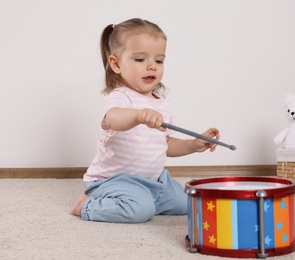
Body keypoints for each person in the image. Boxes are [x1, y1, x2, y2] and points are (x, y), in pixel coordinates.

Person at [70, 18, 220, 223]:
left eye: (159, 61)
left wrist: (193, 144)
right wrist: (138, 115)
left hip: (154, 181)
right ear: (116, 64)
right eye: (140, 59)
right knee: (140, 211)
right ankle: (87, 205)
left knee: (187, 202)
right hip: (114, 181)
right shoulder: (121, 97)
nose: (151, 67)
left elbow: (165, 145)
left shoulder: (163, 105)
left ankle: (146, 200)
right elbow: (114, 119)